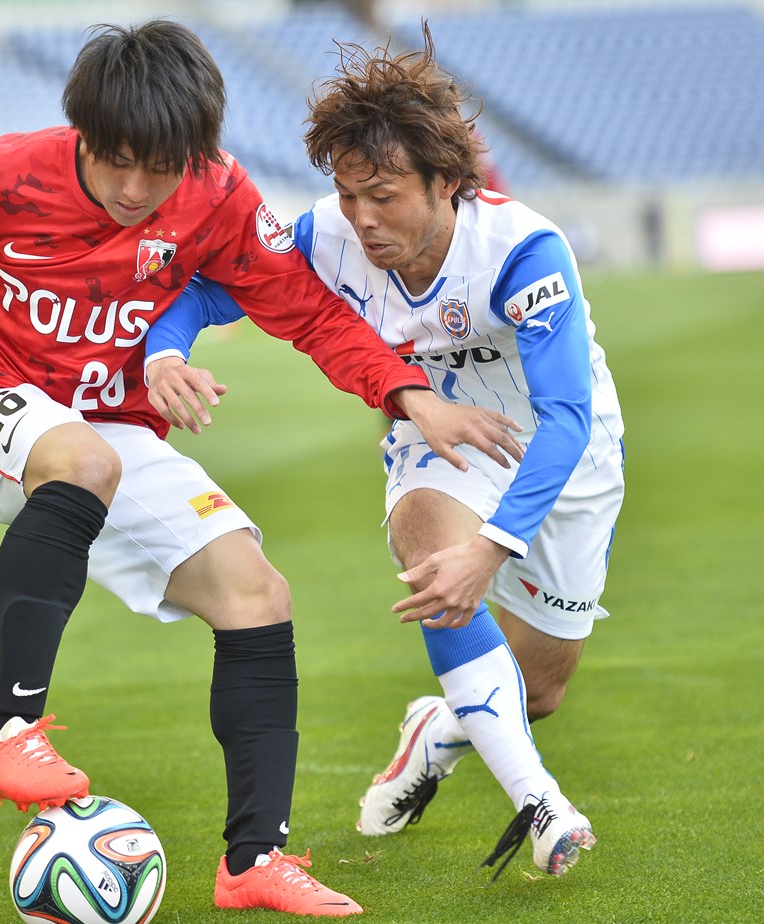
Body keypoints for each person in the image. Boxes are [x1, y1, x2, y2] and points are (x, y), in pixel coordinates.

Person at [0, 20, 521, 918]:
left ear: (192, 156)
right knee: (78, 457)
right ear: (81, 132)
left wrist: (406, 393)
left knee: (256, 593)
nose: (131, 188)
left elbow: (308, 313)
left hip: (109, 439)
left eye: (155, 168)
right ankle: (8, 733)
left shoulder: (220, 196)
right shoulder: (1, 173)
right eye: (113, 160)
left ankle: (253, 862)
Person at [144, 24, 625, 881]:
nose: (362, 219)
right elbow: (213, 289)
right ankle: (541, 802)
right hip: (435, 443)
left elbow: (567, 420)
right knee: (434, 560)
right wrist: (166, 351)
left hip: (564, 458)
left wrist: (498, 545)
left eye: (385, 196)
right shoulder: (326, 234)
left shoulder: (522, 253)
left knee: (539, 691)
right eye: (349, 194)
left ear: (447, 183)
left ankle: (434, 730)